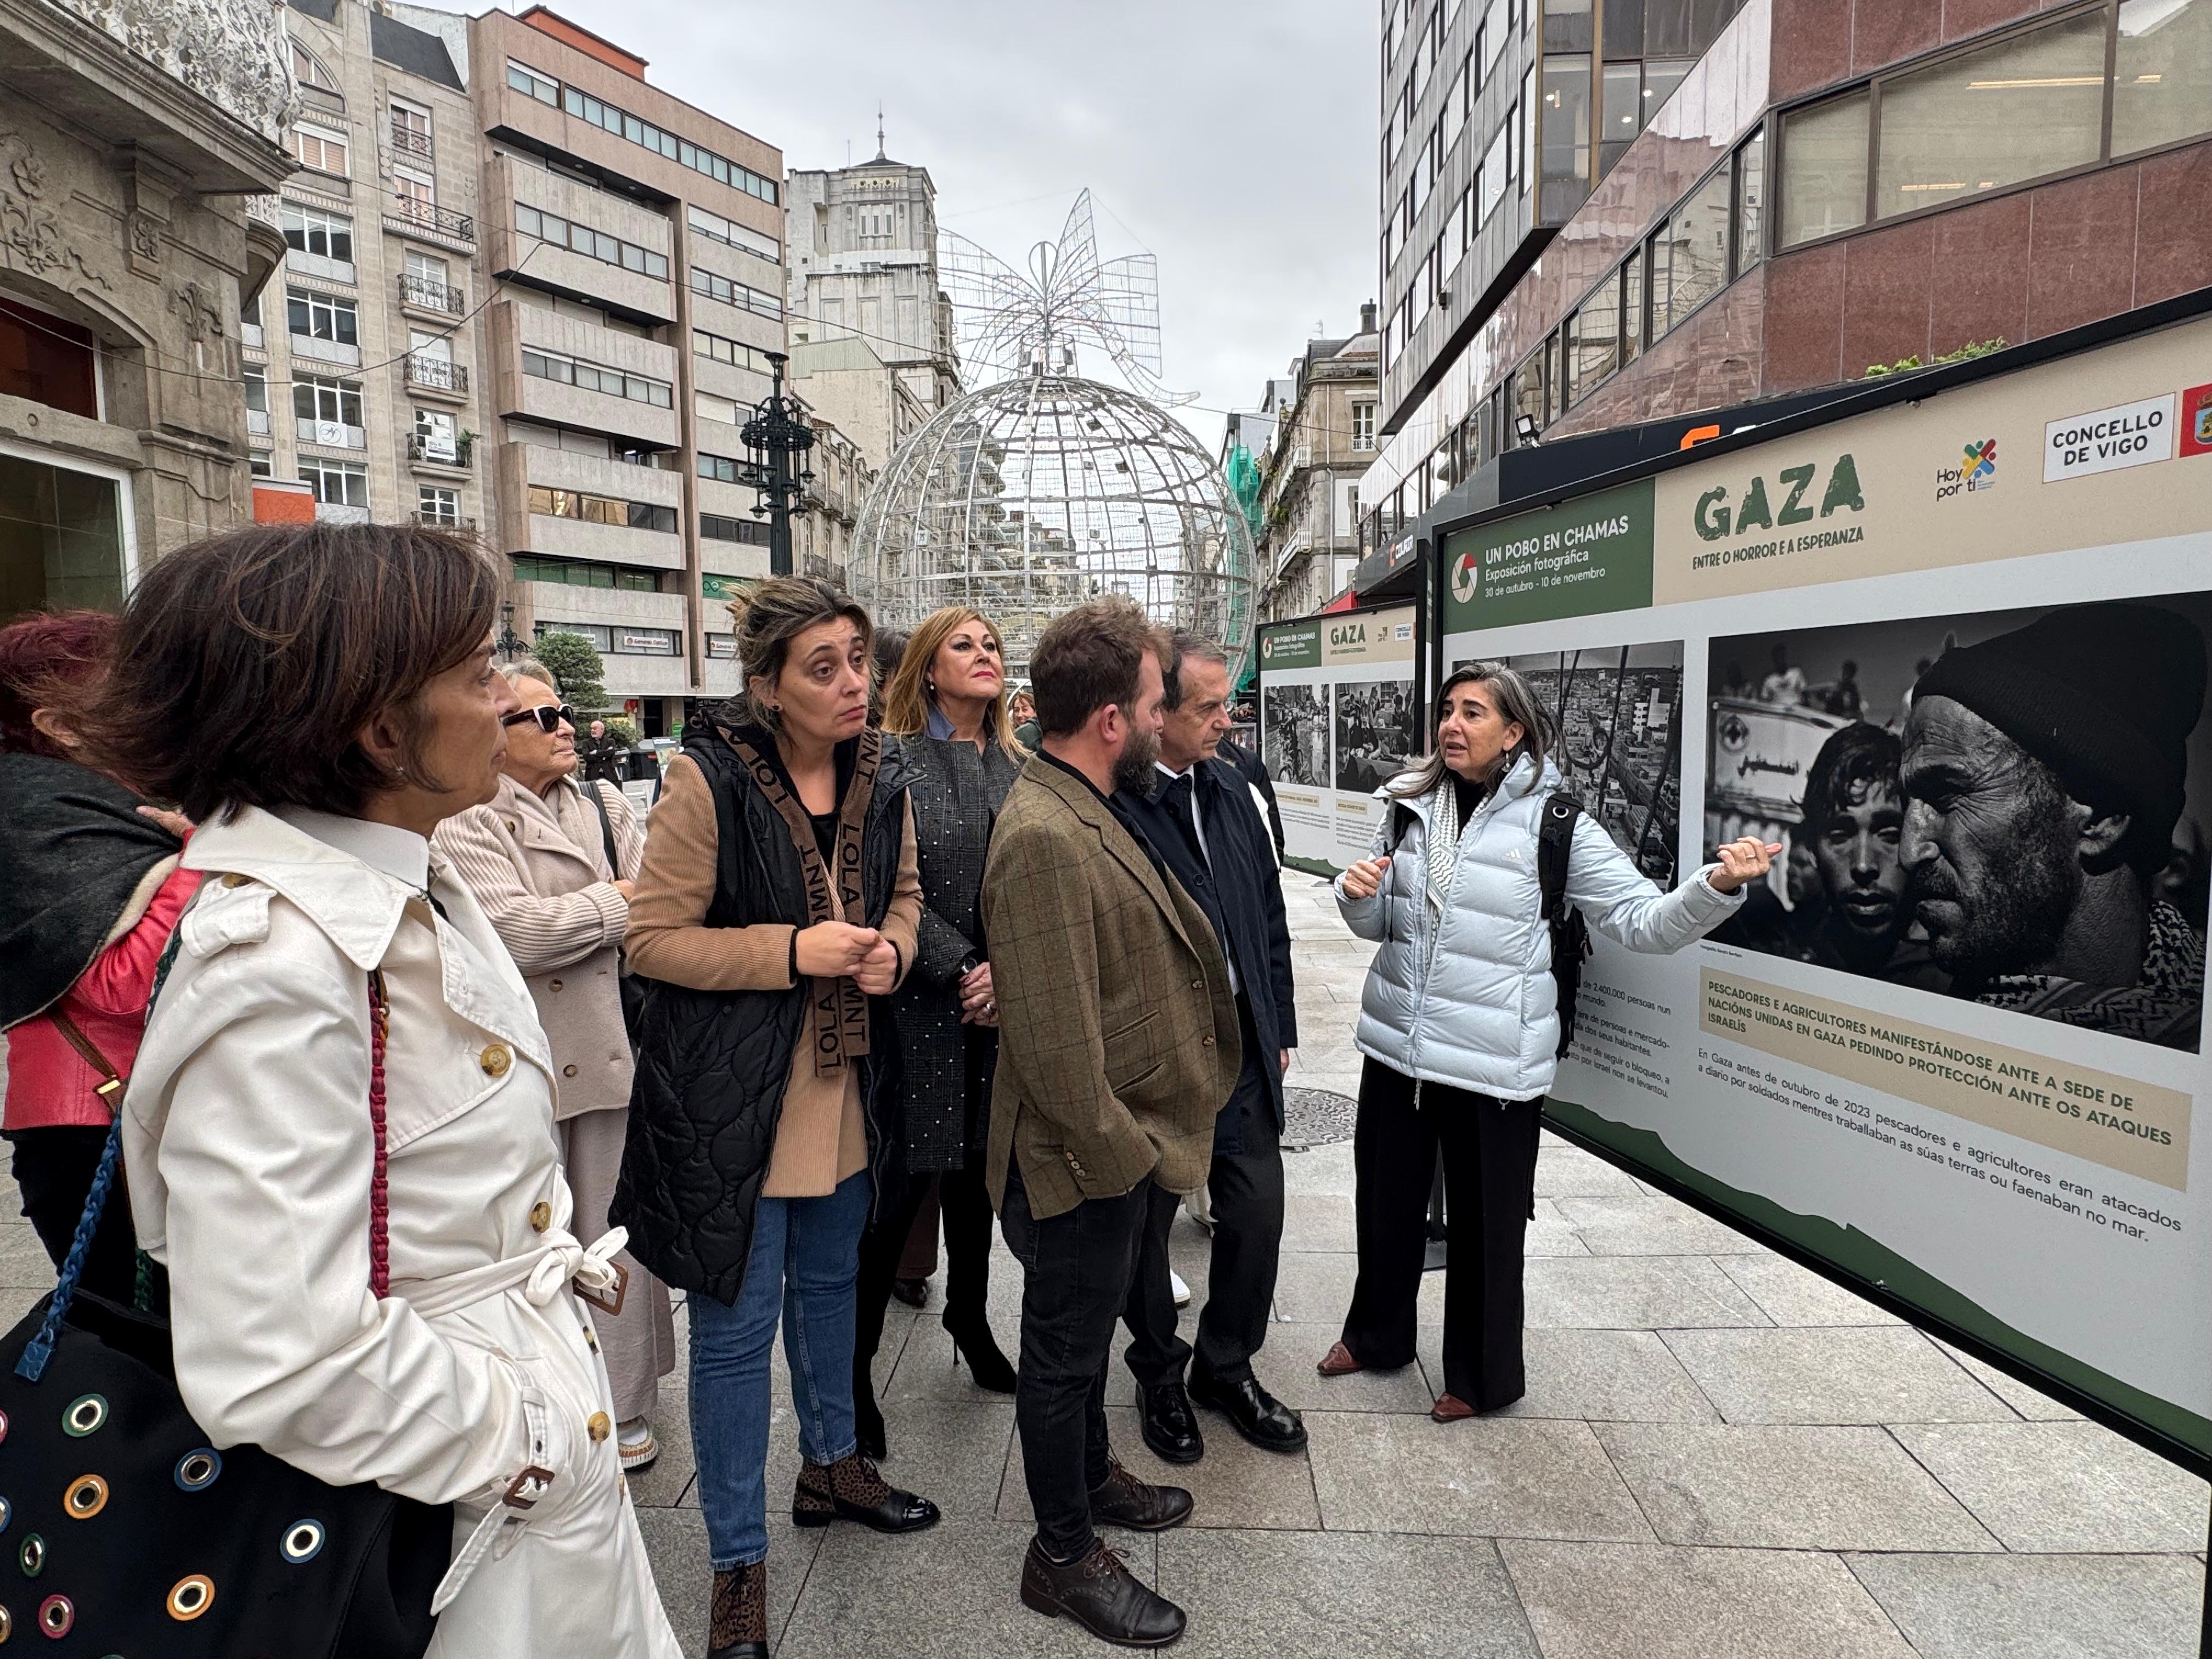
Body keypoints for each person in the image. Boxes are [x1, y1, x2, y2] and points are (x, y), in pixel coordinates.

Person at [83, 522, 679, 1657]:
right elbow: (279, 1351)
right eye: (474, 674)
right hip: (438, 1530)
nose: (506, 696)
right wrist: (529, 1435)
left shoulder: (411, 872)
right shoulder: (277, 962)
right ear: (376, 731)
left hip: (511, 1492)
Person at [613, 578, 938, 1659]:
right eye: (825, 668)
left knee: (838, 1293)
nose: (855, 685)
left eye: (860, 659)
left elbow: (903, 894)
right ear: (765, 687)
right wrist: (790, 950)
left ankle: (834, 1467)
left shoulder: (883, 772)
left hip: (849, 1089)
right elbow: (652, 940)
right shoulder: (704, 780)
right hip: (731, 1104)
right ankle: (735, 1565)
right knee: (736, 1336)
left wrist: (889, 949)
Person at [1324, 664, 1773, 1420]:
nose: (1452, 725)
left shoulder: (1555, 822)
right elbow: (1384, 927)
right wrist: (1354, 898)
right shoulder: (1406, 806)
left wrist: (1716, 888)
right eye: (1447, 710)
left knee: (1488, 1227)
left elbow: (1642, 922)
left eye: (1473, 712)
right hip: (1399, 1045)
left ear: (1515, 731)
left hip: (1496, 1061)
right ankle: (1376, 1337)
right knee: (1385, 1203)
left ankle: (1481, 1376)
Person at [982, 597, 1240, 1649]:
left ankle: (1089, 1478)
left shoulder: (1081, 799)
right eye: (1150, 703)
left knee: (1082, 1350)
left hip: (1115, 1144)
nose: (1159, 718)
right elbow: (1051, 1046)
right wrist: (1127, 1156)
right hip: (1082, 1156)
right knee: (1062, 1354)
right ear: (1109, 721)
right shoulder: (1046, 831)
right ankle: (1060, 1552)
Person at [434, 661, 675, 1475]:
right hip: (532, 1057)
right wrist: (616, 901)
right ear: (497, 736)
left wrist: (612, 905)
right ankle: (552, 1397)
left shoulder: (604, 802)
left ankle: (628, 1397)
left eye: (564, 711)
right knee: (534, 1240)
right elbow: (514, 931)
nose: (564, 725)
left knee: (617, 1233)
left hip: (621, 1046)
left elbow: (667, 902)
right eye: (539, 717)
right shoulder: (467, 818)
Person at [1112, 633, 1301, 1465]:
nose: (1229, 720)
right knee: (1142, 1235)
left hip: (1244, 1049)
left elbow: (1268, 920)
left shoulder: (1234, 789)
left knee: (1256, 1212)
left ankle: (1226, 1366)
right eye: (1209, 708)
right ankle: (1159, 1370)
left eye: (1229, 703)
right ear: (1157, 715)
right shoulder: (1115, 807)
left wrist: (1281, 1023)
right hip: (1157, 1064)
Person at [853, 605, 1026, 1459]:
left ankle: (971, 1315)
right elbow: (885, 885)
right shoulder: (889, 762)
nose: (984, 654)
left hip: (999, 1012)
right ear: (927, 669)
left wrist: (1010, 971)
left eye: (992, 644)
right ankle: (853, 1377)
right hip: (917, 1007)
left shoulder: (1018, 763)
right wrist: (966, 967)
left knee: (976, 1185)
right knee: (893, 1198)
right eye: (964, 645)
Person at [0, 610, 200, 1300]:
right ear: (58, 722)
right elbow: (128, 985)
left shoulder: (101, 797)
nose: (159, 697)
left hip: (116, 1118)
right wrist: (206, 857)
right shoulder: (32, 811)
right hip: (92, 1130)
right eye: (133, 681)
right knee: (137, 1371)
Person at [1900, 602, 2207, 1047]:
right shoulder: (1910, 1018)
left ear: (2103, 816)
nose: (1908, 852)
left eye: (1948, 795)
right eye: (1905, 804)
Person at [1789, 723, 1942, 986]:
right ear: (1814, 848)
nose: (1863, 865)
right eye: (1839, 837)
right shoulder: (1789, 960)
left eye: (1890, 836)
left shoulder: (1956, 982)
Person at [578, 718, 627, 787]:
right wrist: (604, 755)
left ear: (602, 730)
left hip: (609, 775)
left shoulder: (610, 741)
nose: (592, 731)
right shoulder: (586, 743)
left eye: (595, 729)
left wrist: (596, 753)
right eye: (591, 729)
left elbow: (610, 754)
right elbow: (587, 757)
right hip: (593, 775)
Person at [1758, 642, 1807, 706]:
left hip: (1796, 708)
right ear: (1774, 660)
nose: (1781, 660)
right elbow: (1764, 699)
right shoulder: (1769, 680)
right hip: (1778, 710)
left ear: (1786, 658)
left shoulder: (1796, 673)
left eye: (1782, 657)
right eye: (1778, 658)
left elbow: (1804, 692)